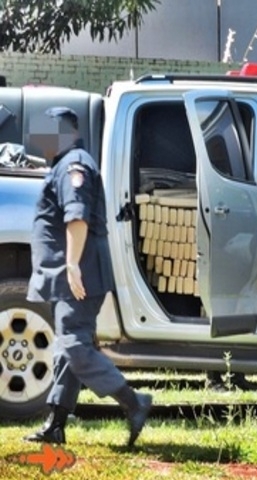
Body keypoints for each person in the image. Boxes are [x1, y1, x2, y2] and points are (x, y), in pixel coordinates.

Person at [24, 107, 152, 446]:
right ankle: (55, 424)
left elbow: (76, 218)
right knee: (67, 349)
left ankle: (133, 401)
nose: (38, 139)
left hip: (77, 274)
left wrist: (72, 265)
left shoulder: (73, 165)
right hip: (70, 274)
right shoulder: (66, 162)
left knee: (74, 345)